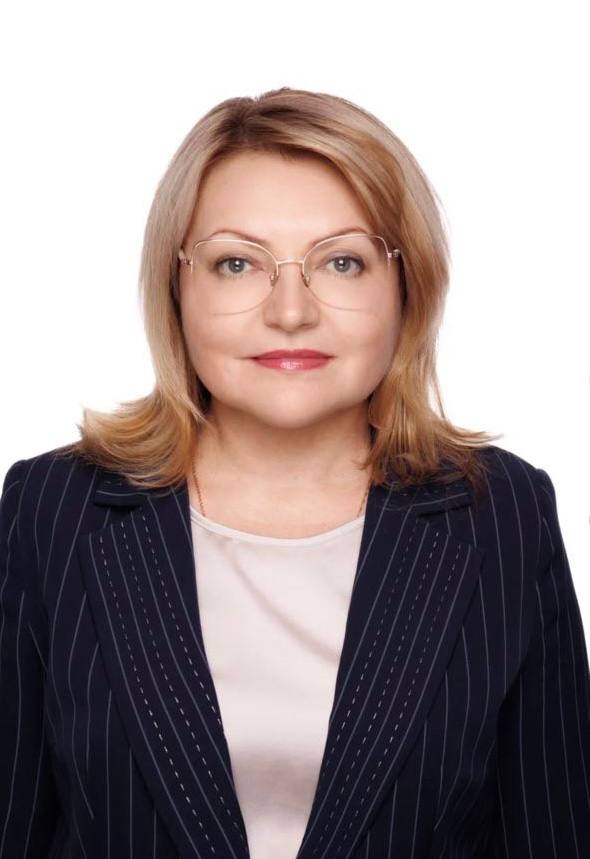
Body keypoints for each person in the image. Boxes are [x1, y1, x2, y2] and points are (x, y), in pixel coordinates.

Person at [1, 86, 589, 859]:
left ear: (405, 287)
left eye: (341, 262)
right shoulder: (53, 510)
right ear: (177, 287)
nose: (289, 311)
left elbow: (553, 830)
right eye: (236, 263)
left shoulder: (501, 513)